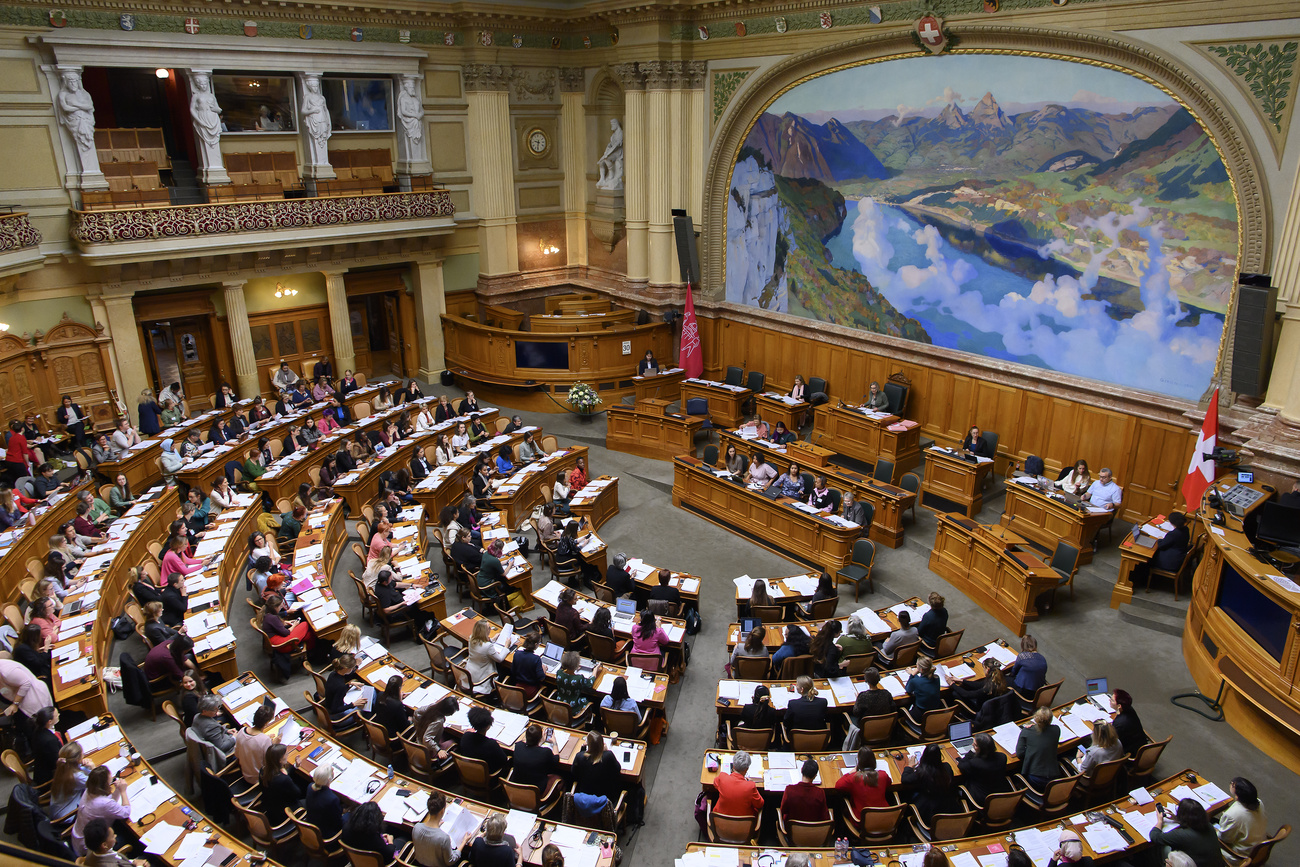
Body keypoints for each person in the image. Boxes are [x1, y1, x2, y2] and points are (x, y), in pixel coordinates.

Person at [70, 766, 131, 855]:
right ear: (105, 785)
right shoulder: (104, 803)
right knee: (129, 837)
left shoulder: (89, 790)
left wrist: (117, 789)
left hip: (78, 837)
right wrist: (123, 791)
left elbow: (110, 803)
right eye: (110, 782)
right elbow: (126, 812)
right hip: (90, 848)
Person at [1150, 798, 1226, 867]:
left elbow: (1155, 836)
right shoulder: (1208, 825)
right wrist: (1178, 819)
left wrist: (1160, 821)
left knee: (1163, 847)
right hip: (1217, 864)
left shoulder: (1181, 835)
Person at [900, 743, 959, 824]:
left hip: (929, 811)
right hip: (947, 805)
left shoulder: (922, 772)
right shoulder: (946, 767)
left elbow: (905, 779)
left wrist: (909, 766)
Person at [1217, 777, 1266, 867]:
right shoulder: (1259, 802)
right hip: (1255, 847)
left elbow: (1225, 839)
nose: (1232, 784)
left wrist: (1215, 830)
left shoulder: (1233, 814)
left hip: (1239, 855)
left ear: (1237, 796)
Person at [957, 732, 1009, 805]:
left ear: (982, 748)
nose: (972, 745)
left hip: (983, 798)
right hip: (1001, 793)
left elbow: (961, 765)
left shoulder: (975, 763)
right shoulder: (1002, 757)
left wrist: (971, 752)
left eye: (975, 745)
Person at [1016, 707, 1062, 789]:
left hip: (1035, 777)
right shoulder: (1056, 729)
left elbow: (1020, 754)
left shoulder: (1026, 731)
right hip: (1054, 777)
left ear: (1035, 718)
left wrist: (1031, 751)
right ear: (1051, 719)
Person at [834, 746, 890, 812]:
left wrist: (850, 772)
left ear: (859, 762)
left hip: (862, 819)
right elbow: (889, 783)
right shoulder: (883, 775)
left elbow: (838, 786)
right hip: (885, 816)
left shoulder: (854, 778)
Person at [458, 705, 509, 775]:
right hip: (489, 777)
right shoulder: (492, 744)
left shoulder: (466, 736)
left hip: (470, 772)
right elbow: (504, 760)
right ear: (488, 726)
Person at [573, 730, 623, 801]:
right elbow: (618, 769)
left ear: (588, 744)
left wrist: (583, 749)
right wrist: (605, 751)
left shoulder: (579, 756)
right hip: (606, 799)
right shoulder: (608, 755)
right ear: (602, 744)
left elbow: (574, 773)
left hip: (585, 799)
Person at [413, 791, 459, 867]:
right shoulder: (444, 838)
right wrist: (463, 843)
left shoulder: (416, 827)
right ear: (442, 810)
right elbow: (450, 861)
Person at [512, 723, 562, 791]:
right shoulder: (545, 752)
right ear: (541, 738)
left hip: (516, 786)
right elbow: (556, 759)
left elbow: (527, 744)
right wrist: (554, 742)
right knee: (560, 779)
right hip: (536, 790)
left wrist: (539, 742)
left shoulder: (518, 746)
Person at [466, 619, 507, 696]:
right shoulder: (488, 646)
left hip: (471, 672)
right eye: (489, 628)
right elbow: (500, 659)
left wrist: (493, 639)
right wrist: (506, 646)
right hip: (483, 675)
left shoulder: (471, 638)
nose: (490, 629)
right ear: (484, 631)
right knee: (506, 670)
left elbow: (482, 643)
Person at [50, 741, 89, 822]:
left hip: (58, 809)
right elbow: (97, 782)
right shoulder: (76, 777)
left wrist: (84, 767)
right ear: (78, 759)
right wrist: (92, 767)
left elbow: (80, 771)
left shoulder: (63, 767)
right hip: (67, 816)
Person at [82, 818, 147, 867]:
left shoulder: (92, 848)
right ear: (104, 845)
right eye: (113, 836)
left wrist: (134, 861)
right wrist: (139, 865)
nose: (115, 836)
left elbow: (117, 857)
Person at [715, 750, 764, 816]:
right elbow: (760, 804)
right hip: (744, 824)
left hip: (720, 821)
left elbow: (715, 783)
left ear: (733, 766)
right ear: (746, 769)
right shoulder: (750, 786)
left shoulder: (722, 777)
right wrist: (747, 783)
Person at [781, 758, 830, 822]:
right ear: (815, 776)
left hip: (792, 829)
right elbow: (825, 816)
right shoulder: (820, 793)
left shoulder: (789, 790)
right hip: (814, 830)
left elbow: (783, 810)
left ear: (801, 770)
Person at [324, 654, 367, 725]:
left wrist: (349, 684)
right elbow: (335, 709)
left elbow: (335, 689)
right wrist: (353, 704)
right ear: (347, 669)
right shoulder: (341, 686)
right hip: (336, 717)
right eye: (353, 668)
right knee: (363, 710)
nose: (353, 669)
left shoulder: (332, 674)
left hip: (329, 705)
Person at [1111, 688, 1149, 755]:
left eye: (1112, 700)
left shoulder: (1120, 723)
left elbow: (1111, 741)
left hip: (1130, 753)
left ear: (1119, 706)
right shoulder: (1129, 709)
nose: (1109, 700)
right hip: (1138, 744)